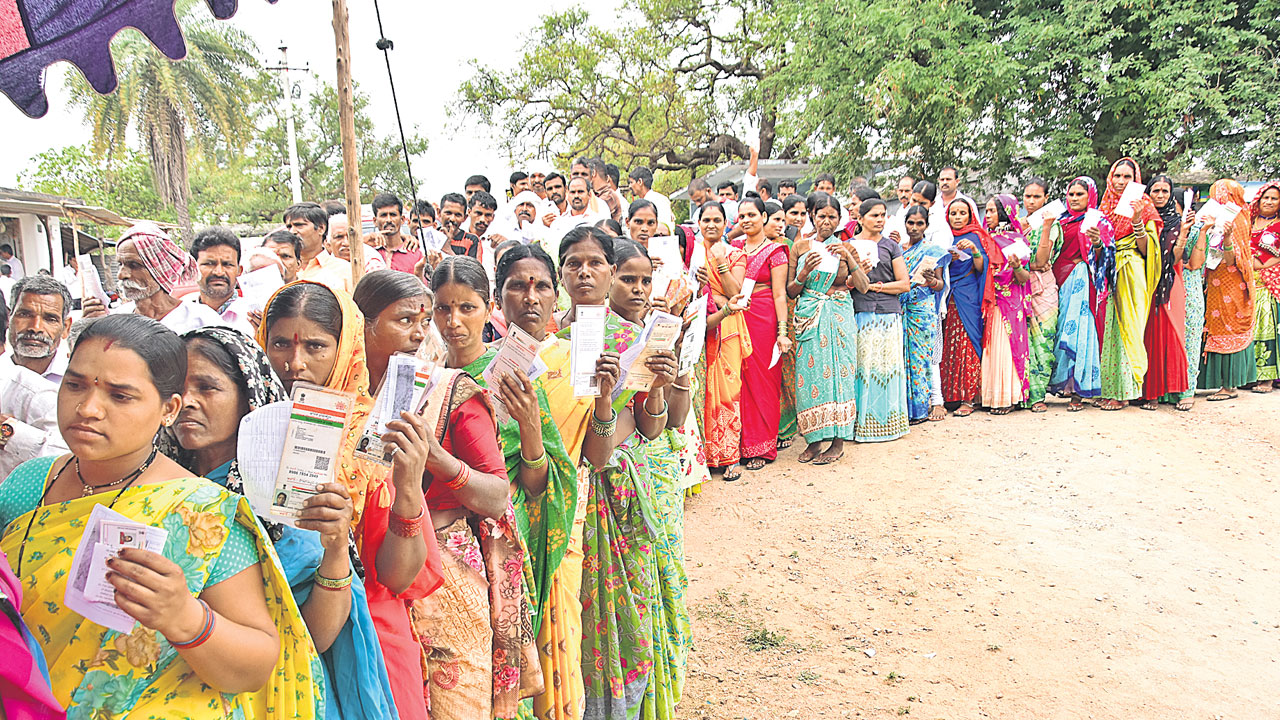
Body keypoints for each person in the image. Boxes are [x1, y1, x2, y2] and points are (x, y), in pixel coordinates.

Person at [0, 314, 322, 717]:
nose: (87, 408)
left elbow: (256, 666)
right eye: (75, 385)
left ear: (169, 409)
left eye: (120, 396)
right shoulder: (29, 482)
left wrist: (184, 617)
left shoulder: (200, 512)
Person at [168, 325, 411, 720]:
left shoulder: (278, 492)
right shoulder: (156, 485)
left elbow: (317, 634)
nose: (187, 402)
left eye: (207, 388)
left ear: (249, 396)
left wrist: (336, 549)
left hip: (280, 690)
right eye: (176, 390)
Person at [262, 278, 442, 720]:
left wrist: (407, 487)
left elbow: (396, 577)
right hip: (266, 632)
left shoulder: (376, 435)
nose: (295, 363)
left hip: (369, 636)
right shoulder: (249, 426)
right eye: (281, 344)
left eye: (316, 347)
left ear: (345, 349)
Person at [466, 245, 599, 719]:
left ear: (556, 295)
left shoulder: (577, 359)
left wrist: (601, 402)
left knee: (560, 637)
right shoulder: (475, 366)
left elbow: (579, 462)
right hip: (488, 534)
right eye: (517, 287)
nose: (530, 297)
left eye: (541, 285)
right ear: (497, 299)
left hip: (558, 521)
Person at [421, 256, 541, 719]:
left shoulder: (510, 373)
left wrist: (529, 426)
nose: (453, 321)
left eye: (467, 308)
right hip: (444, 536)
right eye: (443, 308)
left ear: (489, 308)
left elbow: (539, 476)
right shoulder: (426, 374)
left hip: (506, 526)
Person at [786, 192, 864, 462]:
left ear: (840, 219)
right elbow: (791, 291)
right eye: (821, 216)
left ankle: (838, 441)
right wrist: (804, 272)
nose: (826, 222)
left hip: (839, 316)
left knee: (841, 375)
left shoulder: (847, 247)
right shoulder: (800, 247)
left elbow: (863, 286)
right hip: (810, 316)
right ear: (812, 216)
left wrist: (849, 258)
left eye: (832, 217)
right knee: (809, 377)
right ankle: (814, 441)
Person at [1096, 158, 1162, 410]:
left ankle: (1125, 391)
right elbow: (1099, 248)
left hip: (1131, 270)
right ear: (1110, 178)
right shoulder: (1104, 207)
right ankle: (1110, 389)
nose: (1121, 182)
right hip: (1109, 272)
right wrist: (1096, 242)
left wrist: (1136, 220)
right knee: (1110, 329)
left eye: (1127, 177)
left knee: (1129, 329)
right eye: (1118, 176)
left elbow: (1148, 250)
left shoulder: (1144, 206)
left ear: (1136, 180)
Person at [729, 197, 791, 470]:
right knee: (738, 380)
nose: (746, 220)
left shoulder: (776, 251)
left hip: (764, 319)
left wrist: (782, 332)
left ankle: (762, 446)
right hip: (735, 317)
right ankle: (738, 445)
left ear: (764, 217)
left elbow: (780, 294)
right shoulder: (733, 249)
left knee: (763, 380)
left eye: (752, 215)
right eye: (741, 216)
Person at [690, 203, 748, 480]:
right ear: (699, 223)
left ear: (726, 223)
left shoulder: (736, 254)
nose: (711, 225)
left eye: (717, 220)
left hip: (728, 328)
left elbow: (736, 293)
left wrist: (721, 261)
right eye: (706, 220)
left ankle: (729, 457)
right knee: (701, 389)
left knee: (728, 390)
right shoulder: (692, 253)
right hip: (700, 325)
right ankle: (703, 456)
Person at [82, 222, 225, 334]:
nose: (121, 274)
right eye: (120, 264)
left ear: (160, 269)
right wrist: (89, 329)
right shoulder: (117, 318)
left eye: (134, 265)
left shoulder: (202, 320)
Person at [847, 198, 911, 440]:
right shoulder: (848, 246)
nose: (880, 220)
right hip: (859, 313)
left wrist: (877, 287)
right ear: (860, 218)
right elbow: (845, 284)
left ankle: (889, 424)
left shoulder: (891, 246)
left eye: (883, 215)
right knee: (861, 366)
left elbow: (904, 284)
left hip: (888, 314)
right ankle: (858, 424)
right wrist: (858, 273)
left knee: (887, 367)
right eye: (874, 215)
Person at [1049, 177, 1112, 410]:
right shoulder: (1059, 220)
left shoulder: (1098, 221)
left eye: (1080, 194)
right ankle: (1064, 385)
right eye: (1071, 194)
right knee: (1059, 330)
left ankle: (1078, 391)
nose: (1074, 198)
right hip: (1058, 281)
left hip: (1082, 281)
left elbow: (1107, 259)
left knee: (1079, 331)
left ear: (1090, 196)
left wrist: (1097, 243)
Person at [1198, 178, 1257, 400]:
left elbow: (1234, 259)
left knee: (1228, 324)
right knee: (1213, 324)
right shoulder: (1211, 215)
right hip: (1213, 280)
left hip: (1232, 282)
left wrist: (1227, 237)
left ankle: (1229, 385)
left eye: (1223, 194)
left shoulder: (1238, 218)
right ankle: (1213, 382)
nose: (1219, 198)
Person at [939, 198, 994, 416]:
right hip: (946, 294)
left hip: (968, 293)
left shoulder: (976, 236)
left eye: (962, 213)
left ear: (970, 215)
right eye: (953, 213)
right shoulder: (942, 235)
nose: (957, 217)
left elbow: (982, 268)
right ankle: (950, 395)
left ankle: (969, 397)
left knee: (967, 342)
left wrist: (974, 250)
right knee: (947, 344)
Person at [1139, 175, 1190, 408]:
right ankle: (1148, 392)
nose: (1160, 195)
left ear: (1170, 195)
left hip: (1169, 282)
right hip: (1144, 281)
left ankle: (1169, 391)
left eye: (1165, 191)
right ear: (1148, 193)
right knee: (1148, 335)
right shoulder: (1142, 218)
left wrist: (1183, 234)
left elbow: (1176, 258)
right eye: (1155, 191)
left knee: (1168, 334)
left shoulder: (1177, 222)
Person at [980, 195, 1033, 415]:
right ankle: (989, 396)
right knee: (990, 348)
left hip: (1009, 303)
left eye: (992, 211)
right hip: (987, 301)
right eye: (987, 211)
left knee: (1006, 348)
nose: (988, 215)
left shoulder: (1016, 241)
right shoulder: (983, 238)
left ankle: (1008, 397)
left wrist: (1016, 267)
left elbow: (1024, 278)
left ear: (1004, 213)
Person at [900, 205, 947, 423]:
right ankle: (903, 408)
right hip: (901, 307)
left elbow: (940, 285)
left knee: (921, 358)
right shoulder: (898, 250)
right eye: (911, 223)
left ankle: (921, 408)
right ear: (905, 223)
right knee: (902, 356)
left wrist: (931, 280)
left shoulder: (933, 250)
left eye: (920, 223)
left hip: (923, 309)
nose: (915, 228)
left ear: (926, 225)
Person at [1020, 178, 1061, 412]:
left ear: (1046, 198)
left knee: (1043, 341)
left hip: (1043, 288)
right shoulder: (1018, 225)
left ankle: (1038, 396)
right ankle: (1022, 394)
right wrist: (1032, 266)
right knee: (1023, 342)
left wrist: (1045, 227)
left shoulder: (1052, 225)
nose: (1032, 201)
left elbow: (1043, 260)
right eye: (1028, 196)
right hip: (1021, 287)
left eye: (1037, 197)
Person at [5, 274, 72, 382]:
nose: (36, 327)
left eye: (50, 319)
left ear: (66, 328)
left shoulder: (78, 380)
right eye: (25, 315)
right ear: (8, 319)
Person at [189, 227, 255, 335]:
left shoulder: (254, 317)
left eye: (227, 264)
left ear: (239, 271)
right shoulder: (179, 315)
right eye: (209, 264)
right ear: (193, 269)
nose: (219, 272)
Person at [1248, 181, 1280, 391]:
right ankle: (1249, 375)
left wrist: (1257, 264)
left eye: (1274, 198)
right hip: (1245, 282)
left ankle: (1267, 378)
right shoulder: (1248, 222)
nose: (1268, 202)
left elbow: (1273, 258)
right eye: (1265, 197)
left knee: (1266, 327)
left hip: (1269, 284)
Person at [285, 201, 353, 294]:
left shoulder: (343, 270)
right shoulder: (283, 269)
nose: (292, 231)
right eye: (289, 227)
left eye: (299, 225)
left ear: (321, 228)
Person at [439, 192, 482, 260]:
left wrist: (448, 250)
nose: (452, 219)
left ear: (464, 218)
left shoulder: (472, 240)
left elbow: (475, 266)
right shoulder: (430, 236)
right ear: (439, 213)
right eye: (448, 213)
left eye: (458, 215)